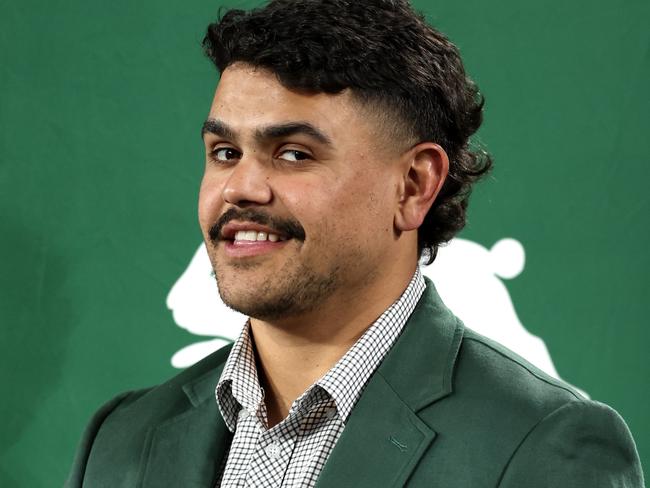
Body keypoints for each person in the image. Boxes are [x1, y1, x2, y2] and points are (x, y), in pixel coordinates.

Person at [65, 0, 645, 486]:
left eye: (293, 153)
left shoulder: (546, 447)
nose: (240, 187)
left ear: (414, 185)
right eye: (224, 153)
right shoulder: (121, 437)